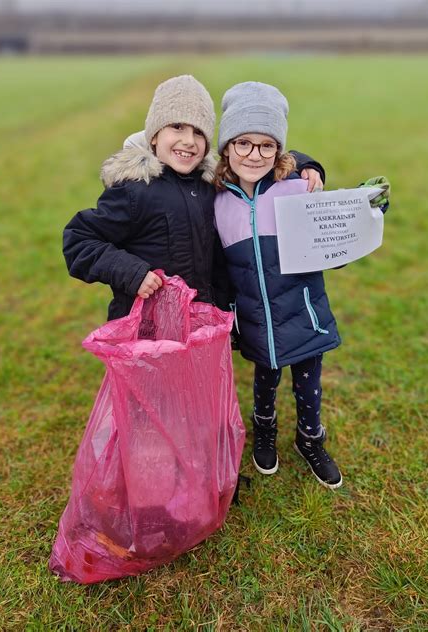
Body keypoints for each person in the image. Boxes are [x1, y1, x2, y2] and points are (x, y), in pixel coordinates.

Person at [213, 81, 390, 489]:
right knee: (265, 377)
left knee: (309, 381)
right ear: (226, 148)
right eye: (243, 143)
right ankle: (266, 430)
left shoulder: (300, 189)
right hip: (256, 317)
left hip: (304, 311)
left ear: (279, 151)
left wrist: (365, 217)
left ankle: (310, 439)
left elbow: (335, 247)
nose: (254, 155)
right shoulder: (217, 200)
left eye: (266, 145)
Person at [63, 74, 326, 322]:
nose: (189, 141)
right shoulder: (134, 189)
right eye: (177, 127)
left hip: (202, 327)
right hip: (147, 331)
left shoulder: (212, 185)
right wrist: (131, 273)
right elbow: (80, 241)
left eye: (199, 132)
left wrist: (305, 164)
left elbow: (257, 163)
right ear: (154, 135)